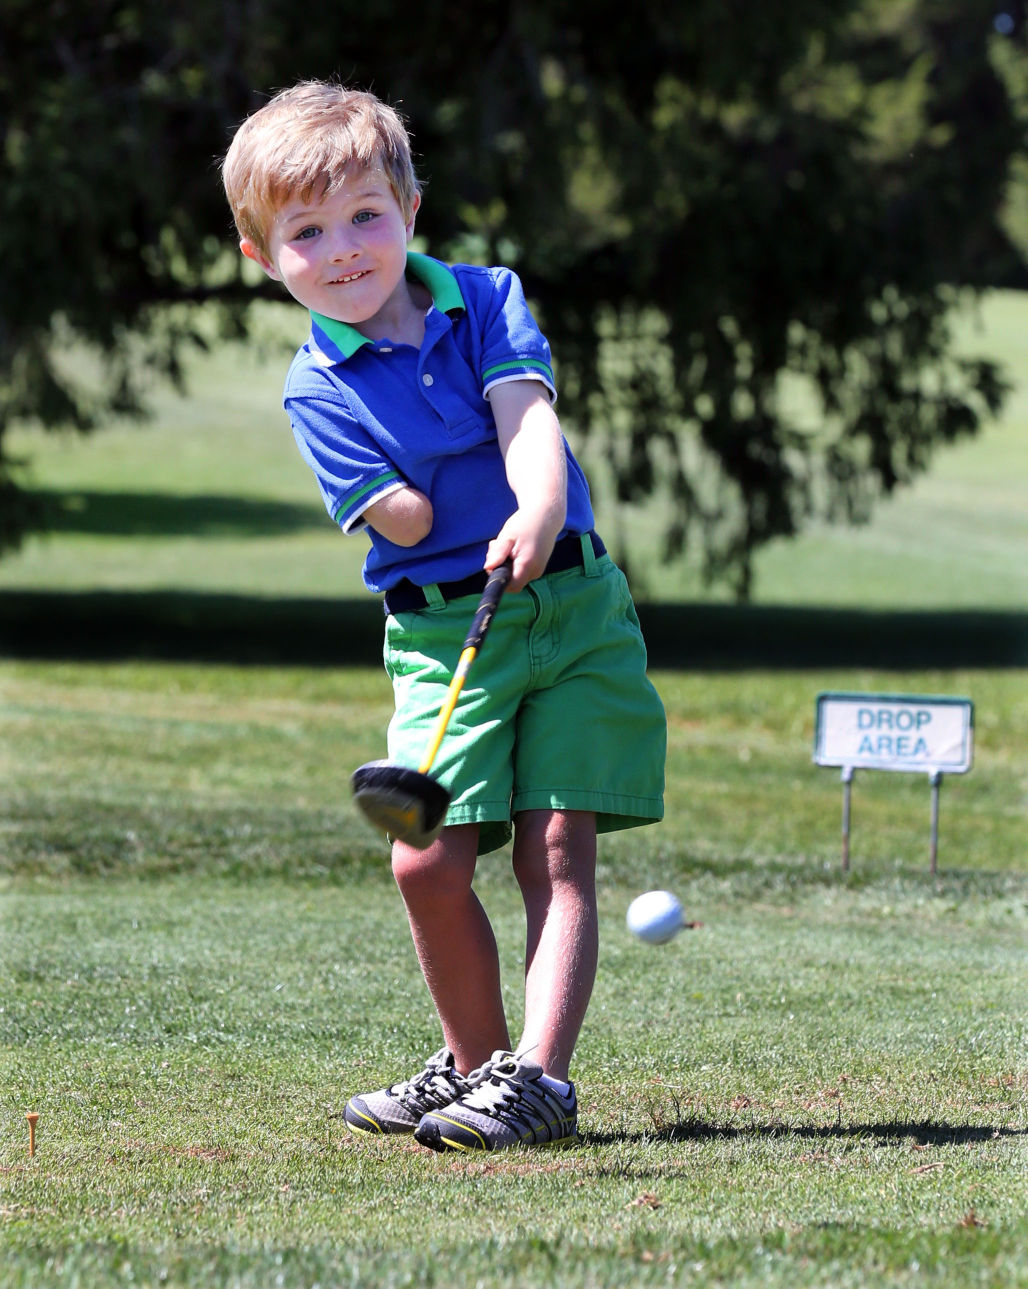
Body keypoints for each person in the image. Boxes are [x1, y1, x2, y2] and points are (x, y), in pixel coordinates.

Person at [222, 81, 666, 1153]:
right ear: (261, 257)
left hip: (568, 603)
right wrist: (456, 459)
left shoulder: (487, 296)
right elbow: (410, 517)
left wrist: (538, 505)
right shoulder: (314, 389)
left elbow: (527, 424)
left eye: (365, 215)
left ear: (409, 208)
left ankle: (538, 1084)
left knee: (554, 851)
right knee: (424, 857)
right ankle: (471, 1064)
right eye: (307, 234)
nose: (342, 251)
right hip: (441, 634)